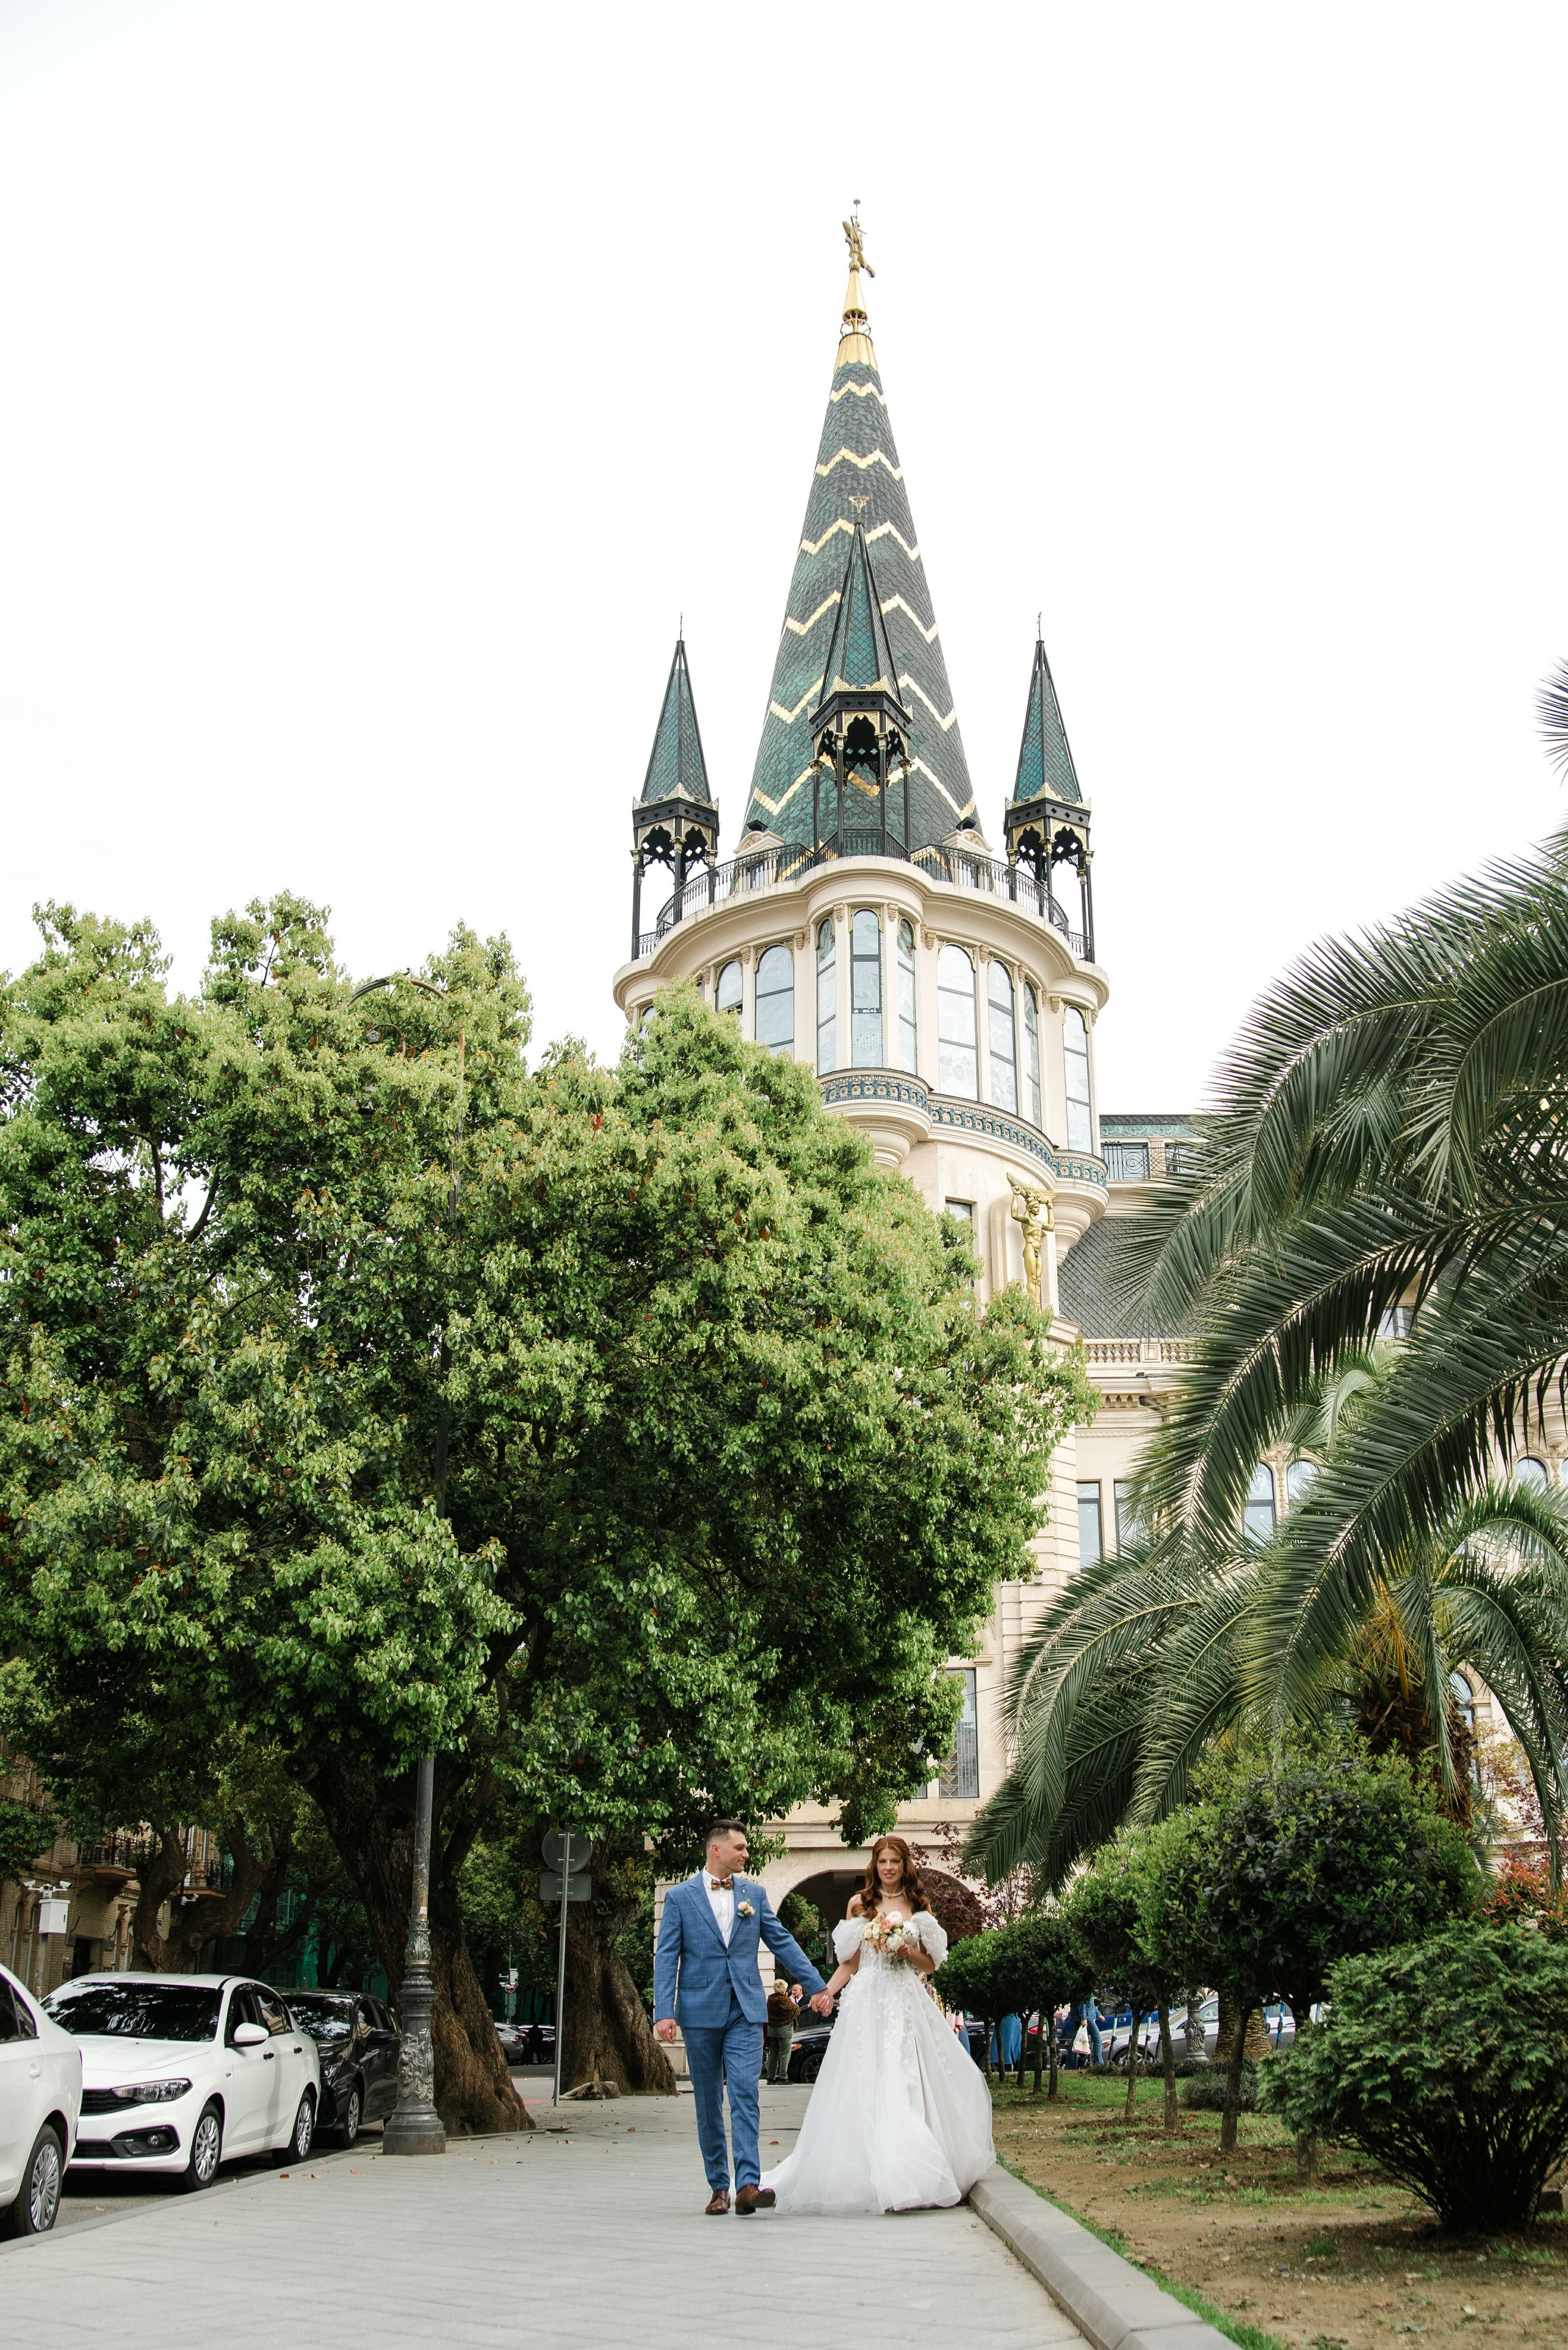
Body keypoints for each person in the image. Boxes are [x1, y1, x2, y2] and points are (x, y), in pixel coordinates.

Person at [761, 1834, 995, 2215]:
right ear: (875, 1865)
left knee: (905, 2075)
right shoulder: (860, 1905)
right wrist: (827, 1993)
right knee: (864, 2075)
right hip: (867, 2001)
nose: (889, 1868)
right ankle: (866, 2169)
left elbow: (931, 1964)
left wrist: (908, 1951)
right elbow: (850, 1964)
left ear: (905, 1865)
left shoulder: (919, 1906)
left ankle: (912, 2166)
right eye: (883, 1861)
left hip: (903, 1999)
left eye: (895, 1862)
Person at [653, 1820, 831, 2215]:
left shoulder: (754, 1894)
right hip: (699, 2011)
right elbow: (666, 1956)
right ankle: (719, 2186)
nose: (746, 1853)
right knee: (709, 2102)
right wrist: (664, 2011)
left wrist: (818, 1985)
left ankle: (748, 2184)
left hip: (746, 2010)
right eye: (741, 1847)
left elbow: (781, 1939)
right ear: (716, 1849)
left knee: (746, 2093)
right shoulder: (681, 1897)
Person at [764, 1977, 801, 2084]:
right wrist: (793, 2002)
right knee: (785, 2053)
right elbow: (796, 2011)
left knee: (773, 2053)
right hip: (784, 2031)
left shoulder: (770, 1999)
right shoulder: (784, 2000)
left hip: (772, 2030)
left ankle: (770, 2077)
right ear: (783, 1989)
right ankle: (783, 2077)